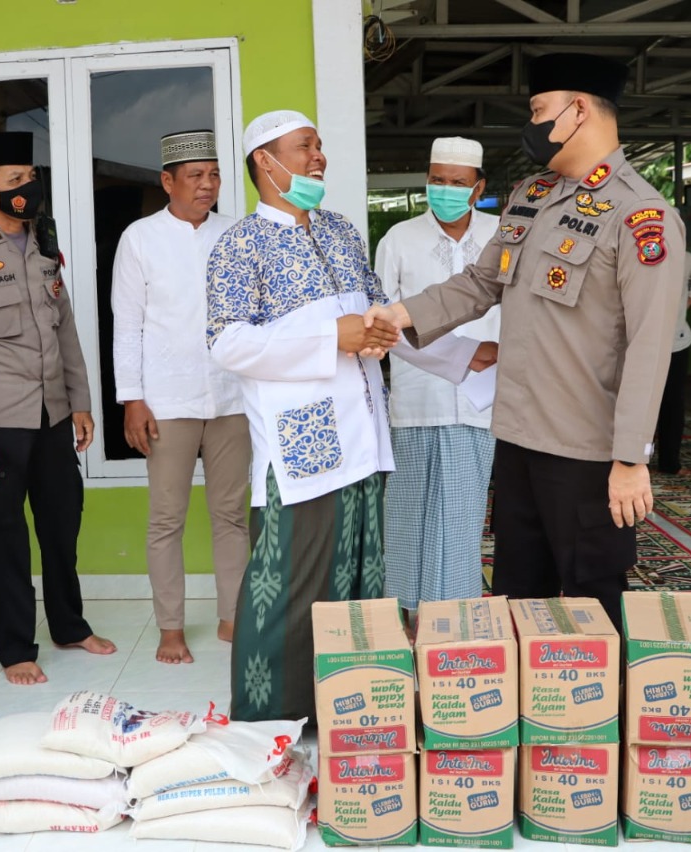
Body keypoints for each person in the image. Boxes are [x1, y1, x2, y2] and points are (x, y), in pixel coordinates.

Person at [364, 54, 686, 630]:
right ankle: (532, 714)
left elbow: (649, 345)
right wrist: (397, 313)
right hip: (515, 438)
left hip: (587, 451)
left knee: (592, 600)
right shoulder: (530, 196)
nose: (532, 122)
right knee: (518, 595)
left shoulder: (640, 212)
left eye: (540, 110)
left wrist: (631, 458)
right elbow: (479, 284)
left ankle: (600, 716)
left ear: (578, 110)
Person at [206, 109, 402, 722]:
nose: (318, 157)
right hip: (301, 446)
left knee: (358, 580)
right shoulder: (240, 244)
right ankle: (267, 717)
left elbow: (370, 307)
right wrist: (330, 339)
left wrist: (374, 334)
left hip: (364, 433)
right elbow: (228, 344)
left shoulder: (341, 230)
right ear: (264, 161)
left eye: (318, 145)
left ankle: (346, 711)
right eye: (304, 147)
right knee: (289, 585)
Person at [0, 131, 114, 687]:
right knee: (5, 537)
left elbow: (66, 331)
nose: (27, 188)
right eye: (15, 181)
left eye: (30, 177)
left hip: (52, 415)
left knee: (62, 526)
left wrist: (81, 402)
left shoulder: (44, 247)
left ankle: (69, 624)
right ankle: (14, 647)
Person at [111, 130, 250, 664]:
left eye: (214, 174)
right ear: (167, 181)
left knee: (232, 515)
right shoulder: (140, 238)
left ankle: (232, 617)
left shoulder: (236, 234)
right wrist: (132, 399)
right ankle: (171, 627)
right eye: (195, 176)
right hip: (165, 400)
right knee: (167, 518)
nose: (208, 185)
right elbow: (128, 327)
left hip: (230, 395)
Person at [375, 136, 501, 614]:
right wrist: (463, 353)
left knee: (462, 518)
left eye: (458, 183)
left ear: (478, 187)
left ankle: (457, 617)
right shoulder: (399, 239)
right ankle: (406, 613)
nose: (445, 190)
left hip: (482, 403)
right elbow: (383, 327)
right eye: (437, 181)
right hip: (415, 401)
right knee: (408, 517)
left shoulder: (502, 236)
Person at [654, 252, 691, 475]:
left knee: (672, 404)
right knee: (639, 402)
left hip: (675, 342)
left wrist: (690, 300)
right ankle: (635, 459)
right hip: (638, 342)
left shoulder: (684, 257)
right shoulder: (634, 252)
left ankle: (669, 462)